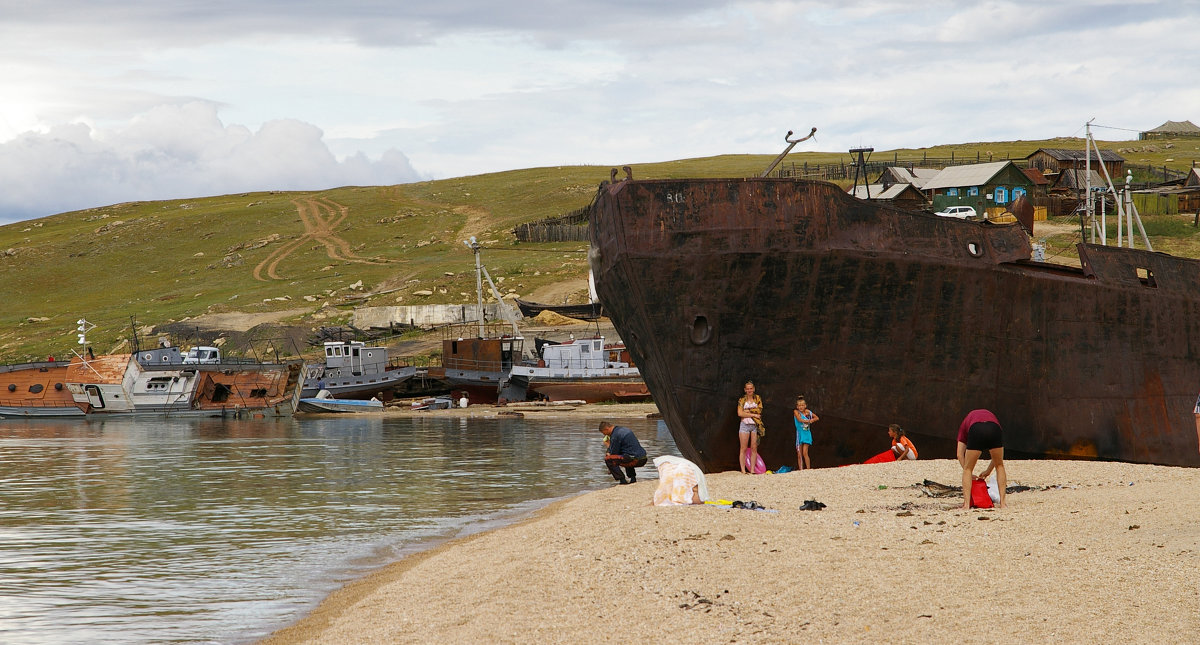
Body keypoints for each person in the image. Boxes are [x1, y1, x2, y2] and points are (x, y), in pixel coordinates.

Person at [957, 409, 1006, 509]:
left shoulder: (964, 425)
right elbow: (997, 460)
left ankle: (966, 505)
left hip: (976, 429)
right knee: (1000, 465)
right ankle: (1003, 504)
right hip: (994, 428)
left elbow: (959, 454)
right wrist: (988, 471)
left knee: (967, 469)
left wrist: (968, 471)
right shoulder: (992, 417)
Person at [598, 421, 647, 485]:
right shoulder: (624, 429)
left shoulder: (615, 435)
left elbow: (614, 453)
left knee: (608, 459)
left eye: (603, 433)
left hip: (635, 459)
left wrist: (610, 467)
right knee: (625, 455)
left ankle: (622, 480)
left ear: (607, 429)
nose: (604, 435)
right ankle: (633, 479)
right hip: (643, 458)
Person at [737, 381, 764, 474]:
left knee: (754, 447)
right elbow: (740, 413)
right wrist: (753, 414)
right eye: (747, 389)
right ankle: (743, 470)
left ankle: (752, 470)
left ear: (754, 389)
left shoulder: (757, 398)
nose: (749, 390)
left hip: (754, 425)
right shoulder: (742, 400)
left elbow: (759, 411)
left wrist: (747, 412)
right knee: (743, 448)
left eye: (751, 388)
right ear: (745, 390)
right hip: (745, 425)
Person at [793, 396, 818, 470]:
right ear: (797, 406)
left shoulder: (808, 412)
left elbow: (817, 417)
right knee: (799, 453)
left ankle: (808, 469)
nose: (801, 407)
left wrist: (812, 420)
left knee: (805, 452)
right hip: (799, 434)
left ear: (805, 406)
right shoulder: (796, 412)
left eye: (802, 405)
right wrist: (808, 421)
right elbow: (799, 419)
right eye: (799, 405)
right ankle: (801, 469)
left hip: (806, 434)